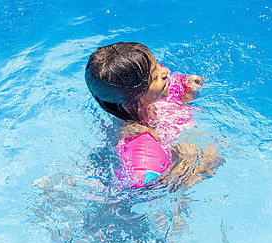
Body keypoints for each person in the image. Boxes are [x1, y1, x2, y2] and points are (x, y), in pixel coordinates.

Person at [85, 42, 223, 190]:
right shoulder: (135, 136)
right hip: (158, 178)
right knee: (212, 153)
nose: (165, 70)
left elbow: (174, 88)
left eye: (156, 64)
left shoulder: (138, 101)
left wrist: (187, 90)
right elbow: (145, 182)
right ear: (133, 100)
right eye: (155, 75)